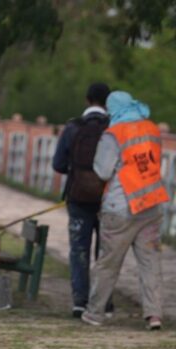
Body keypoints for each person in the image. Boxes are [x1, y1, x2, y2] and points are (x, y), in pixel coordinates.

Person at [81, 91, 169, 330]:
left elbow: (102, 170)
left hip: (121, 207)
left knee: (108, 262)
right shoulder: (152, 129)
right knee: (150, 262)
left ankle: (95, 313)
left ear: (113, 110)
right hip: (151, 204)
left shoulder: (114, 134)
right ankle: (154, 315)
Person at [52, 83, 114, 318]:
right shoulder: (113, 129)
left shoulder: (72, 128)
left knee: (79, 249)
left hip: (78, 199)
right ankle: (104, 304)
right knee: (106, 252)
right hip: (108, 200)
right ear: (108, 102)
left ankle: (80, 302)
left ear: (87, 100)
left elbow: (58, 164)